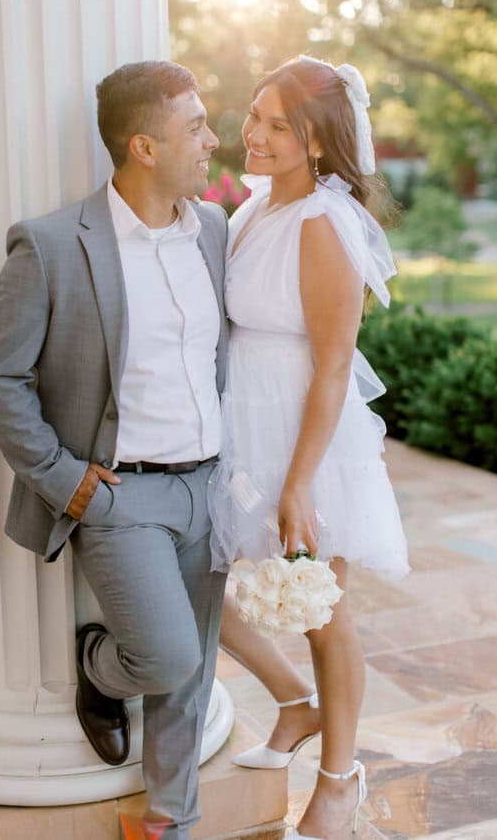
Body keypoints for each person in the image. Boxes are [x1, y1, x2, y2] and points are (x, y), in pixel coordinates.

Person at [0, 60, 228, 840]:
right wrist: (62, 479)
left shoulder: (214, 231)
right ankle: (96, 667)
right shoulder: (52, 245)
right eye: (195, 127)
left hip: (209, 485)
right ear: (144, 146)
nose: (212, 142)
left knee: (196, 674)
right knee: (167, 660)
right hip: (121, 497)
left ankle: (168, 823)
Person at [208, 55, 410, 840]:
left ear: (318, 141)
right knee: (202, 586)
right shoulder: (256, 205)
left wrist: (299, 483)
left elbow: (332, 365)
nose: (252, 134)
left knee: (324, 610)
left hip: (305, 434)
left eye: (276, 125)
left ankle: (340, 778)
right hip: (240, 424)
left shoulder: (324, 223)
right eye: (254, 115)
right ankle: (295, 704)